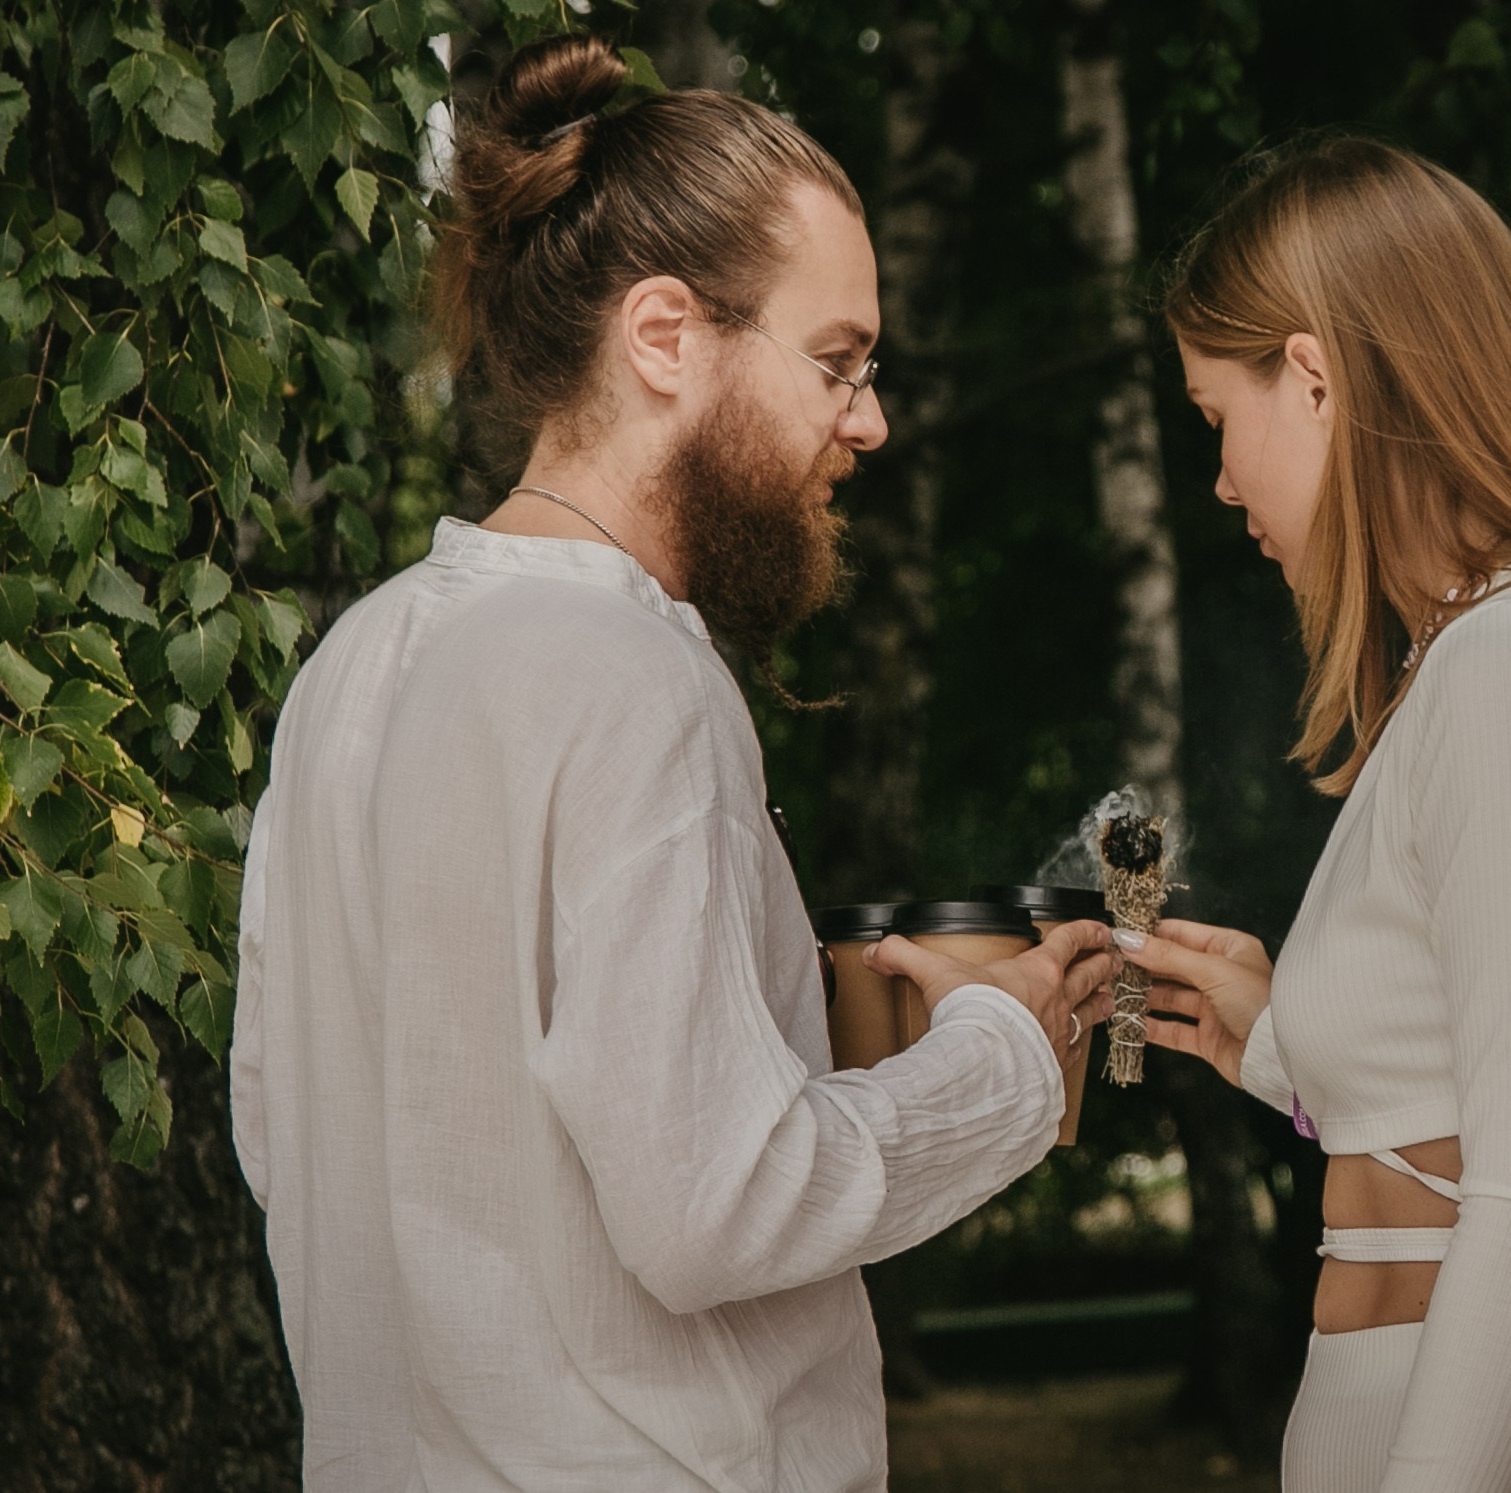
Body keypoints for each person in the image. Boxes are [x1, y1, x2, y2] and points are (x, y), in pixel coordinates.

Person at [228, 36, 1115, 1491]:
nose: (870, 420)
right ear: (663, 337)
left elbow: (293, 1140)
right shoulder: (634, 675)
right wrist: (1005, 1054)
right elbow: (717, 1199)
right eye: (837, 363)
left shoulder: (350, 671)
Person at [1119, 137, 1511, 1492]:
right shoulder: (1500, 658)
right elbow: (1504, 1102)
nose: (1221, 482)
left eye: (1220, 415)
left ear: (1318, 379)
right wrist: (1277, 1046)